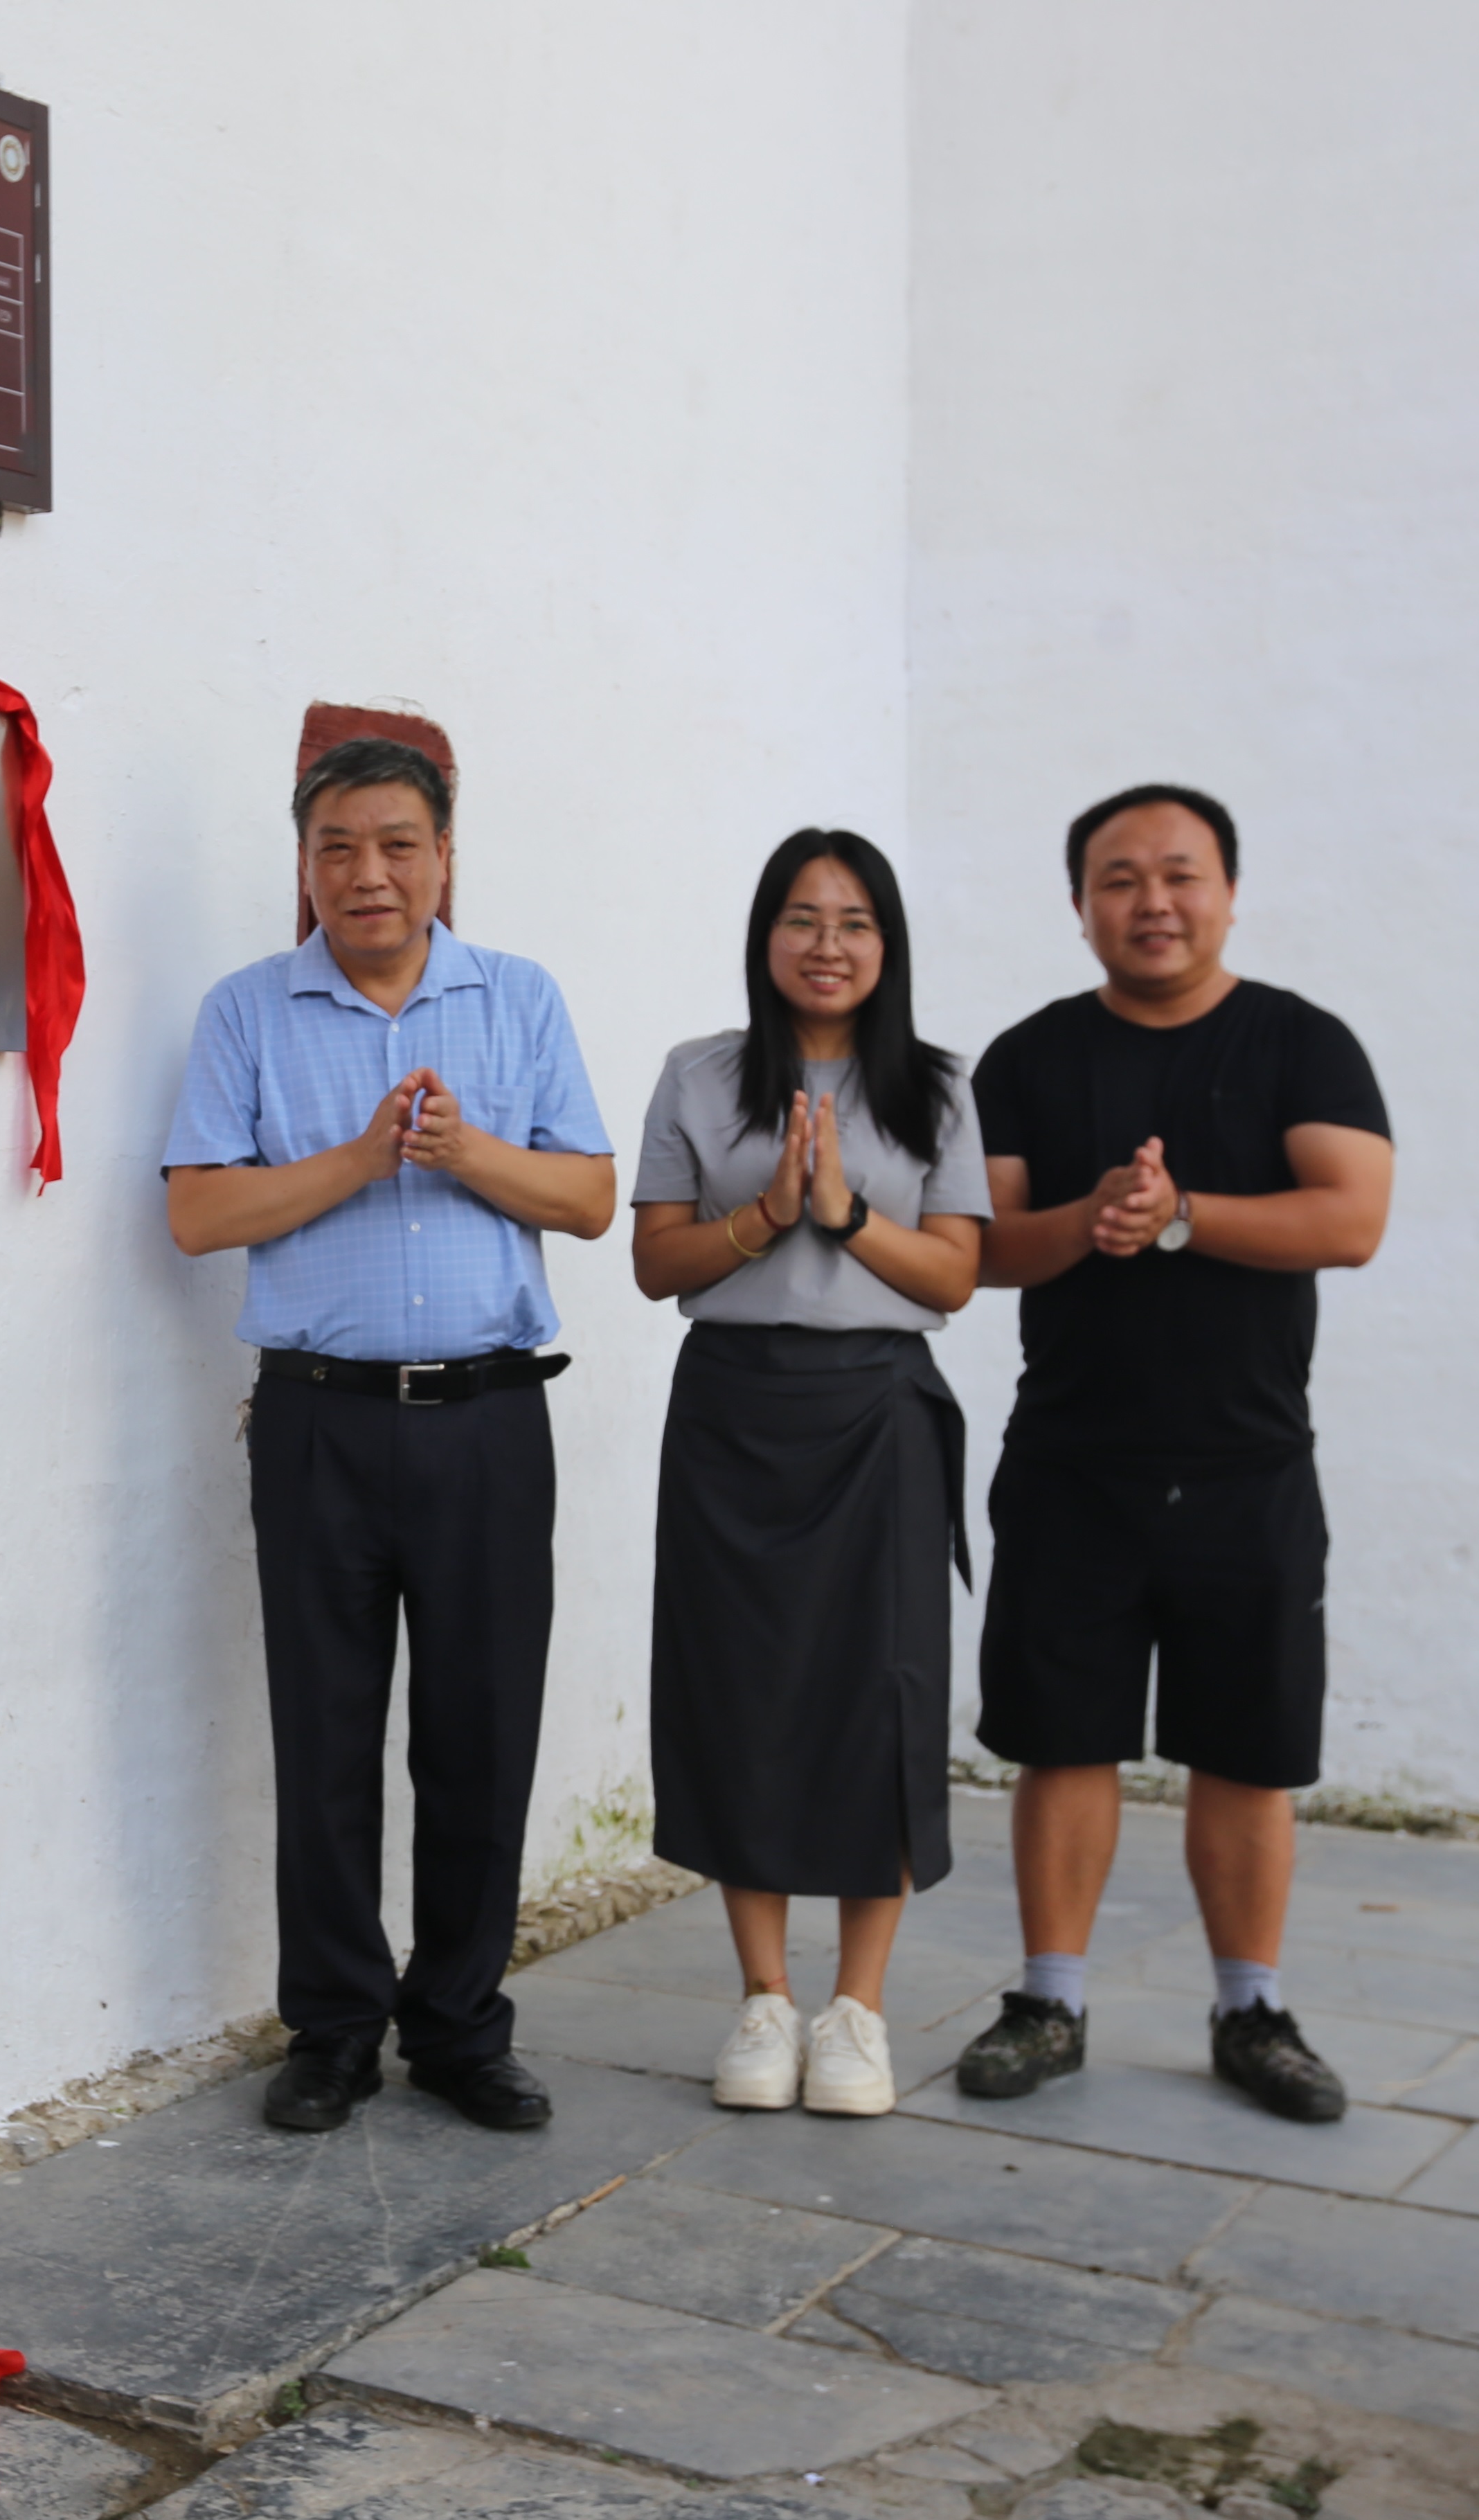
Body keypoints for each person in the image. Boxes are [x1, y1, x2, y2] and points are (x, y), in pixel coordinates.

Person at [163, 736, 616, 2137]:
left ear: (444, 858)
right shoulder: (246, 1011)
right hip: (319, 1423)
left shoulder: (518, 997)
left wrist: (464, 1152)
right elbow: (196, 1212)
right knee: (324, 1729)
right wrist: (360, 1159)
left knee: (481, 1732)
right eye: (338, 847)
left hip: (486, 1415)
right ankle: (336, 2025)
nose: (368, 872)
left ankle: (464, 2023)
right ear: (304, 867)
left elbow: (591, 1195)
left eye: (397, 843)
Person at [952, 784, 1392, 2124]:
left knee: (1246, 1753)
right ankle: (1049, 2000)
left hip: (1247, 1466)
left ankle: (1252, 2011)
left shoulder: (1300, 1044)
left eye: (1179, 876)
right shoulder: (1028, 1058)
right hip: (1074, 1464)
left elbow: (1350, 1216)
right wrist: (1094, 1218)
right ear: (1079, 904)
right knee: (1061, 1742)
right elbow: (979, 1251)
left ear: (1227, 891)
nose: (1152, 903)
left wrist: (1186, 1216)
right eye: (1120, 879)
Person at [629, 829, 989, 2121]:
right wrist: (766, 1213)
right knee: (744, 1692)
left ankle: (858, 2012)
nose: (825, 945)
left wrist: (841, 1211)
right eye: (800, 918)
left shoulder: (936, 1090)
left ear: (885, 946)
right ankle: (765, 1997)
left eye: (853, 923)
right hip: (733, 1411)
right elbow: (656, 1267)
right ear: (763, 936)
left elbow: (952, 1276)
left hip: (875, 1411)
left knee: (876, 1692)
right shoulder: (699, 1075)